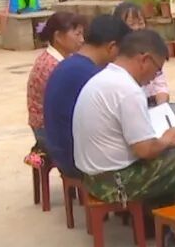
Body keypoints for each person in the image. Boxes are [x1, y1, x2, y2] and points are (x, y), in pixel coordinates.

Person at [73, 29, 175, 208]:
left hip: (92, 177)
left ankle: (160, 211)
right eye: (157, 70)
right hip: (115, 182)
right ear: (145, 60)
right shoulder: (128, 90)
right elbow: (145, 150)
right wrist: (167, 139)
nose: (153, 78)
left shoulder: (103, 77)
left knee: (173, 155)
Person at [43, 15, 131, 178]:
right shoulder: (91, 75)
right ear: (112, 47)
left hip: (61, 151)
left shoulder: (69, 64)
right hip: (77, 160)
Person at [27, 12, 85, 145]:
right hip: (48, 128)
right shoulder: (52, 65)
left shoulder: (62, 58)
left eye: (82, 34)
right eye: (77, 34)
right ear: (58, 36)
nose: (82, 40)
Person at [115, 1, 170, 105]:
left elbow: (160, 85)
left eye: (140, 23)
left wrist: (162, 106)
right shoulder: (118, 56)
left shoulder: (151, 49)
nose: (137, 28)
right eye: (132, 24)